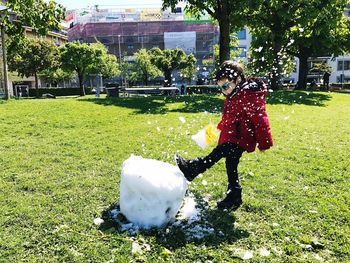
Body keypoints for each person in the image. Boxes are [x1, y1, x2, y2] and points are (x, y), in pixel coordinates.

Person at [175, 60, 273, 210]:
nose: (224, 91)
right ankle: (234, 195)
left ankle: (194, 168)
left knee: (218, 153)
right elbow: (228, 118)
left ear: (238, 79)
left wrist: (265, 142)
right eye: (220, 88)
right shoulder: (234, 94)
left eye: (226, 86)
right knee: (230, 165)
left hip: (241, 138)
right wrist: (210, 133)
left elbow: (260, 118)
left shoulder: (249, 94)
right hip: (234, 135)